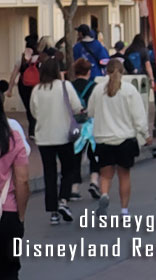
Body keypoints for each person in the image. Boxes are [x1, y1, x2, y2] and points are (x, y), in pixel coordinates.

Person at [88, 59, 149, 216]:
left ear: (106, 72)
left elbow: (90, 112)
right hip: (125, 139)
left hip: (103, 138)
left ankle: (104, 195)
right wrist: (145, 134)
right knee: (124, 175)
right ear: (122, 72)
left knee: (106, 175)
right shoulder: (129, 90)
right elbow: (139, 117)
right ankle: (124, 210)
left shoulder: (98, 90)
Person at [30, 57, 82, 224]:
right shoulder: (65, 86)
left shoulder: (37, 90)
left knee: (49, 173)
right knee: (69, 169)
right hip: (64, 136)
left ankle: (53, 211)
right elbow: (76, 107)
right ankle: (63, 200)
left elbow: (34, 112)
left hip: (44, 137)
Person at [0, 92, 30, 280]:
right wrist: (20, 215)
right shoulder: (12, 136)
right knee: (9, 269)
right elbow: (22, 180)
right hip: (7, 212)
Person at [68, 58, 100, 201]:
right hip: (91, 124)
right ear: (88, 72)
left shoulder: (69, 86)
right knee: (94, 153)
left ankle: (74, 188)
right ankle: (94, 181)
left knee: (75, 157)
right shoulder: (94, 86)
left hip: (74, 124)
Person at [5, 36, 40, 139]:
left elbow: (14, 74)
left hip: (23, 86)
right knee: (37, 108)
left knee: (29, 108)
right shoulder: (39, 58)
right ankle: (37, 130)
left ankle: (32, 131)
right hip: (36, 86)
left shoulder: (20, 58)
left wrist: (10, 89)